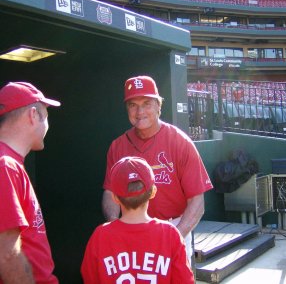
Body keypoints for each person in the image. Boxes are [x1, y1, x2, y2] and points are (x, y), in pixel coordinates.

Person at [102, 75, 213, 261]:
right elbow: (109, 192)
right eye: (133, 105)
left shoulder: (180, 142)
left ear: (158, 106)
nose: (139, 112)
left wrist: (174, 237)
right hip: (132, 228)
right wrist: (115, 226)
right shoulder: (118, 146)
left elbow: (197, 202)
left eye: (146, 103)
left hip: (174, 225)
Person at [82, 156, 194, 283]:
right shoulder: (170, 234)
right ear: (153, 192)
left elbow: (90, 278)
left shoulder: (100, 236)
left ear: (115, 197)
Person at [0, 81, 60, 284]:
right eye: (47, 116)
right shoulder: (5, 165)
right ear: (33, 115)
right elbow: (7, 254)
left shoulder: (9, 162)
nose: (48, 126)